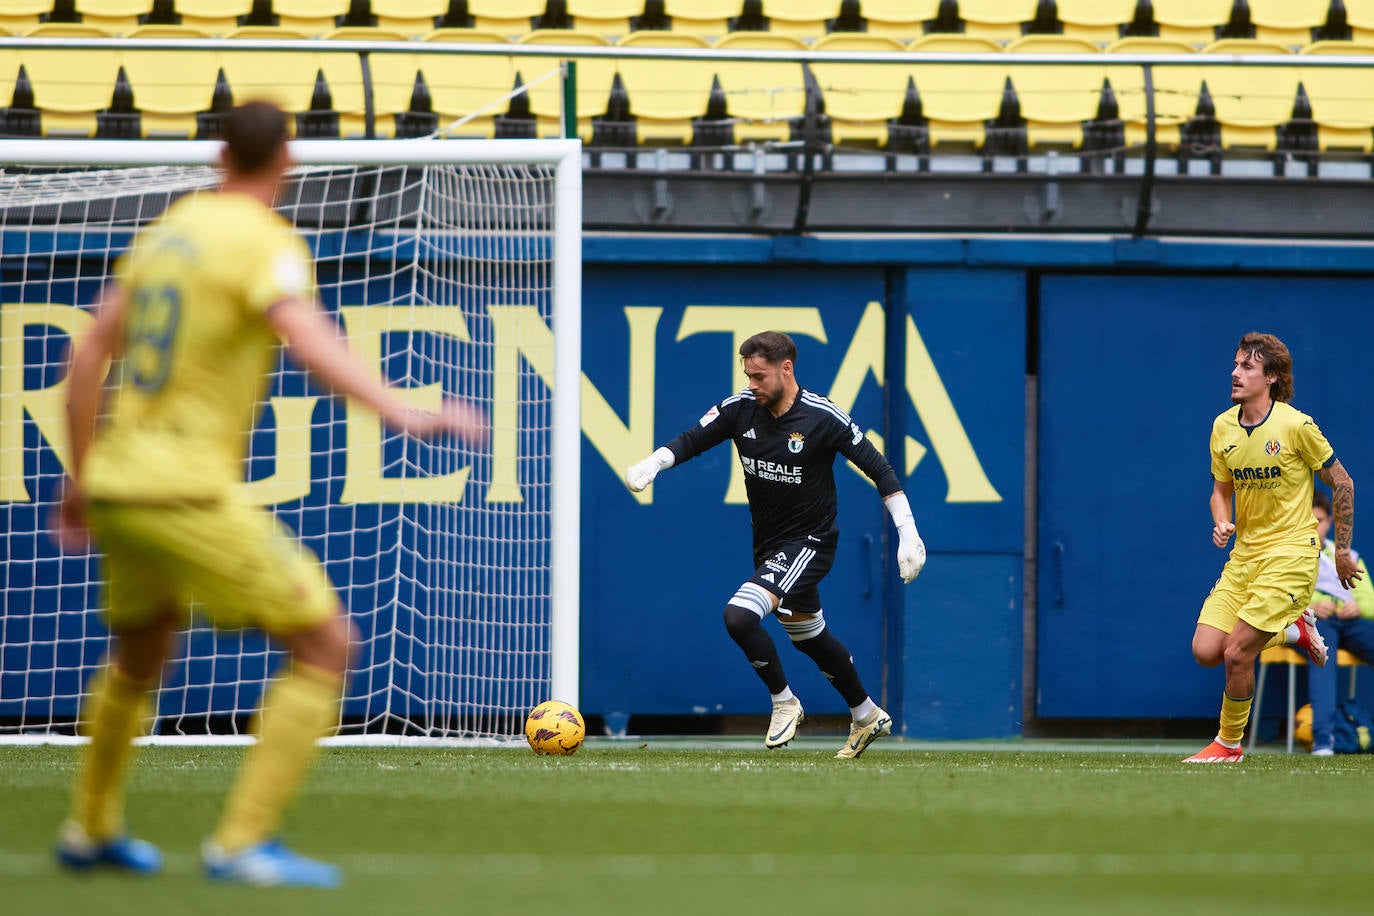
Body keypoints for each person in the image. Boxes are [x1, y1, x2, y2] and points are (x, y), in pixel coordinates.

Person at [52, 101, 485, 886]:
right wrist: (407, 411)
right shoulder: (266, 243)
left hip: (118, 480)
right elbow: (312, 343)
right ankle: (242, 844)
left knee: (142, 651)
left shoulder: (168, 232)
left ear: (221, 156)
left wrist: (82, 478)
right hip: (182, 489)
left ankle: (90, 829)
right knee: (328, 644)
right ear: (286, 159)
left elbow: (86, 361)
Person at [624, 330, 925, 759]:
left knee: (739, 616)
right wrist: (655, 462)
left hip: (811, 542)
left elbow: (881, 471)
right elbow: (693, 439)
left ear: (787, 369)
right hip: (770, 546)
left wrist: (907, 532)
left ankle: (784, 701)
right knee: (810, 638)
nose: (752, 384)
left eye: (760, 376)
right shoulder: (740, 408)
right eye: (747, 374)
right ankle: (866, 714)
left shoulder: (822, 417)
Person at [1186, 332, 1359, 763]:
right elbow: (1219, 490)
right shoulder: (1223, 427)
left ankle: (1228, 744)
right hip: (1244, 555)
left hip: (1292, 553)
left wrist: (1340, 550)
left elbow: (1342, 481)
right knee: (1206, 651)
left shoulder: (1296, 425)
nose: (1235, 372)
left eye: (1247, 366)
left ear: (1273, 378)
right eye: (1236, 363)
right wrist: (1221, 520)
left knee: (1236, 653)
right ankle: (1295, 629)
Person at [1306, 490, 1374, 756]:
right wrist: (1311, 606)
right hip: (1316, 623)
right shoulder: (1289, 557)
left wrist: (1358, 606)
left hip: (1351, 622)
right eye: (1308, 520)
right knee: (1323, 656)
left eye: (1319, 520)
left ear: (1330, 522)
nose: (1314, 526)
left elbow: (1370, 600)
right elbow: (1276, 597)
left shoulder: (1349, 556)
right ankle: (1324, 740)